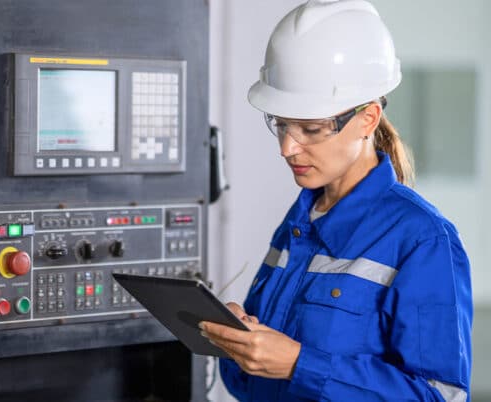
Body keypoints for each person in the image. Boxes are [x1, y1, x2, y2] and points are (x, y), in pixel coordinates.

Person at [198, 0, 473, 400]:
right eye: (281, 125)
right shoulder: (300, 220)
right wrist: (242, 345)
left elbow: (439, 395)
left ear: (367, 119)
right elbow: (255, 384)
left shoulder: (423, 240)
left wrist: (298, 364)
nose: (287, 148)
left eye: (310, 129)